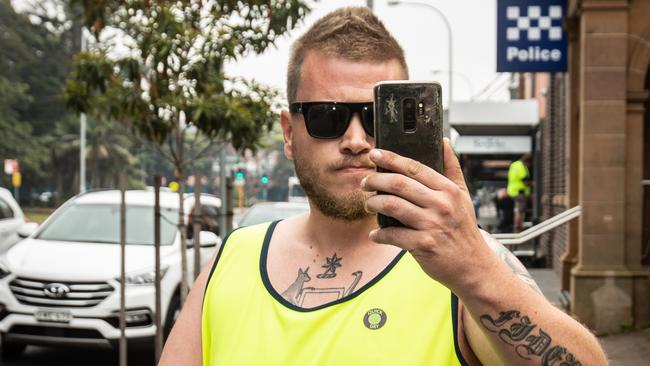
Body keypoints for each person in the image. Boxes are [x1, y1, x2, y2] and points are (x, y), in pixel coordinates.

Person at [161, 7, 607, 365]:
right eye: (327, 117)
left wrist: (475, 270)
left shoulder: (467, 261)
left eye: (377, 117)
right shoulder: (230, 259)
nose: (355, 141)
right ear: (289, 131)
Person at [507, 154, 533, 232]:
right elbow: (525, 181)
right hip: (520, 192)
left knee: (517, 210)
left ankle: (516, 227)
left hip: (513, 191)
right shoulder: (521, 166)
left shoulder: (514, 165)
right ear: (527, 161)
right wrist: (532, 184)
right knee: (520, 211)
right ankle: (518, 227)